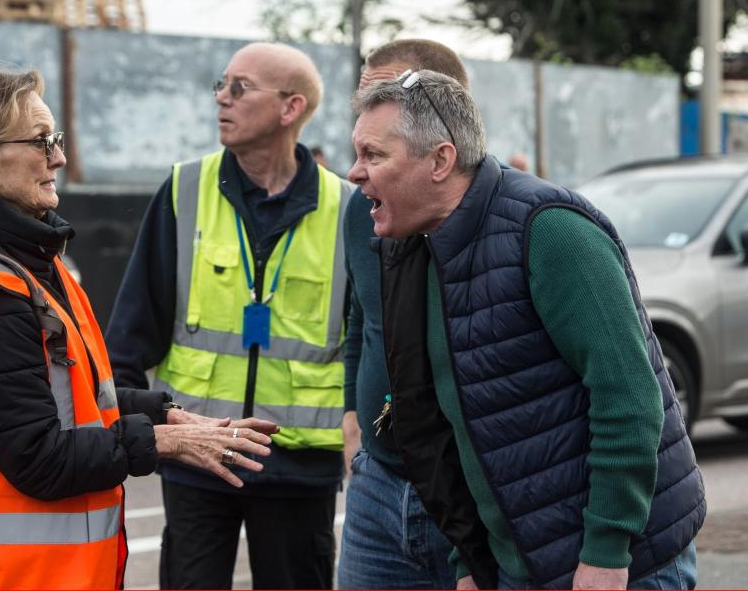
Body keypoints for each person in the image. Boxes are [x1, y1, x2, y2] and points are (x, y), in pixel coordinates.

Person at [0, 64, 275, 590]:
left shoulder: (33, 266)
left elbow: (74, 395)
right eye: (40, 141)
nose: (58, 157)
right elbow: (40, 458)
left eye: (53, 138)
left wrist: (166, 414)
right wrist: (164, 443)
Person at [348, 70, 706, 589]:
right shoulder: (416, 248)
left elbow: (628, 397)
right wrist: (469, 561)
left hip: (618, 566)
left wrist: (606, 550)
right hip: (519, 568)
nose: (355, 172)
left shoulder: (551, 230)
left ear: (440, 160)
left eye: (373, 155)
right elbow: (444, 424)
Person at [105, 42, 354, 589]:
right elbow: (130, 331)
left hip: (298, 466)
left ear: (290, 108)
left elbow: (368, 343)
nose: (222, 98)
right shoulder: (184, 189)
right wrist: (130, 436)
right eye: (221, 84)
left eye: (240, 87)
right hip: (198, 458)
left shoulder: (347, 209)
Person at [338, 38, 475, 590]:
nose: (371, 105)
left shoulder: (512, 219)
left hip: (469, 489)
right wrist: (352, 414)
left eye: (390, 90)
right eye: (366, 93)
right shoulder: (365, 209)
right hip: (378, 483)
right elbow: (361, 317)